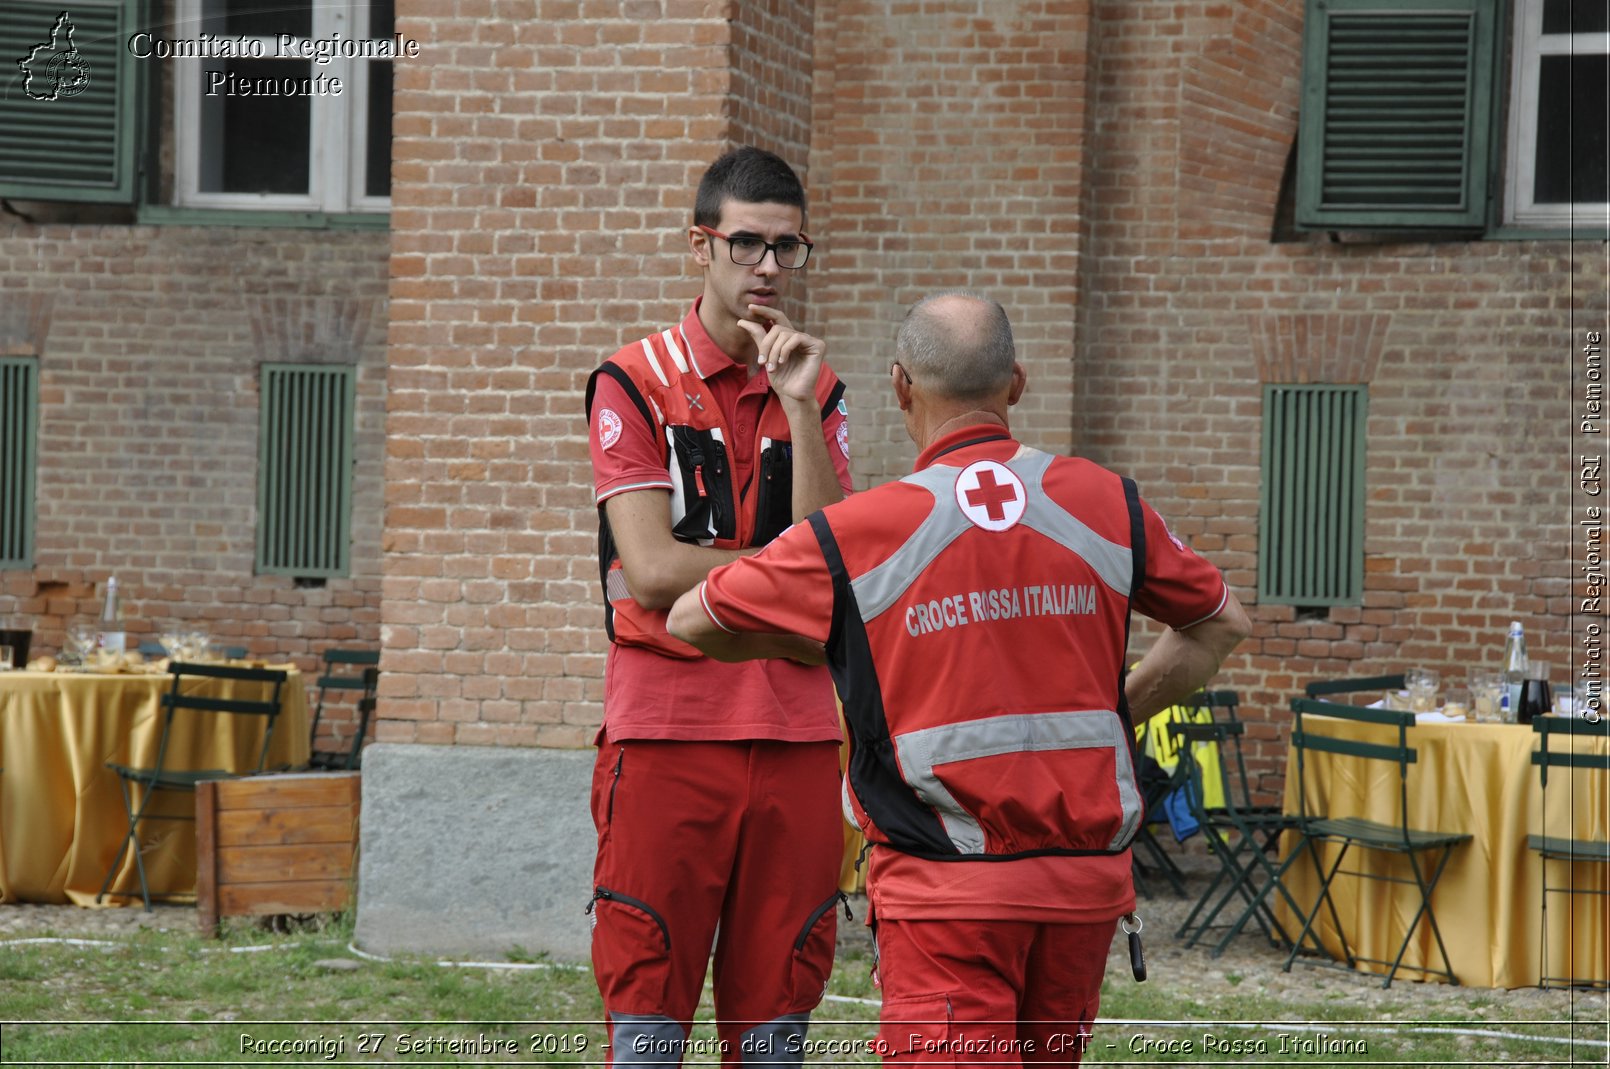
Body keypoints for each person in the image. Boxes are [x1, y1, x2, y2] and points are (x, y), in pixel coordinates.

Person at [667, 291, 1251, 1066]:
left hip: (945, 898)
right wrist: (1120, 714)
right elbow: (1222, 623)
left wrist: (844, 646)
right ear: (1017, 383)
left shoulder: (864, 530)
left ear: (902, 386)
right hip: (1081, 895)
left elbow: (691, 619)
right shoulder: (1109, 503)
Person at [582, 146, 853, 1067]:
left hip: (801, 740)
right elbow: (652, 571)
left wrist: (803, 408)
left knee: (775, 1031)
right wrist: (783, 577)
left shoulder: (822, 388)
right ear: (700, 247)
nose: (770, 268)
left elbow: (836, 569)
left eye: (788, 248)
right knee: (651, 1027)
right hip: (665, 735)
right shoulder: (632, 380)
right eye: (747, 244)